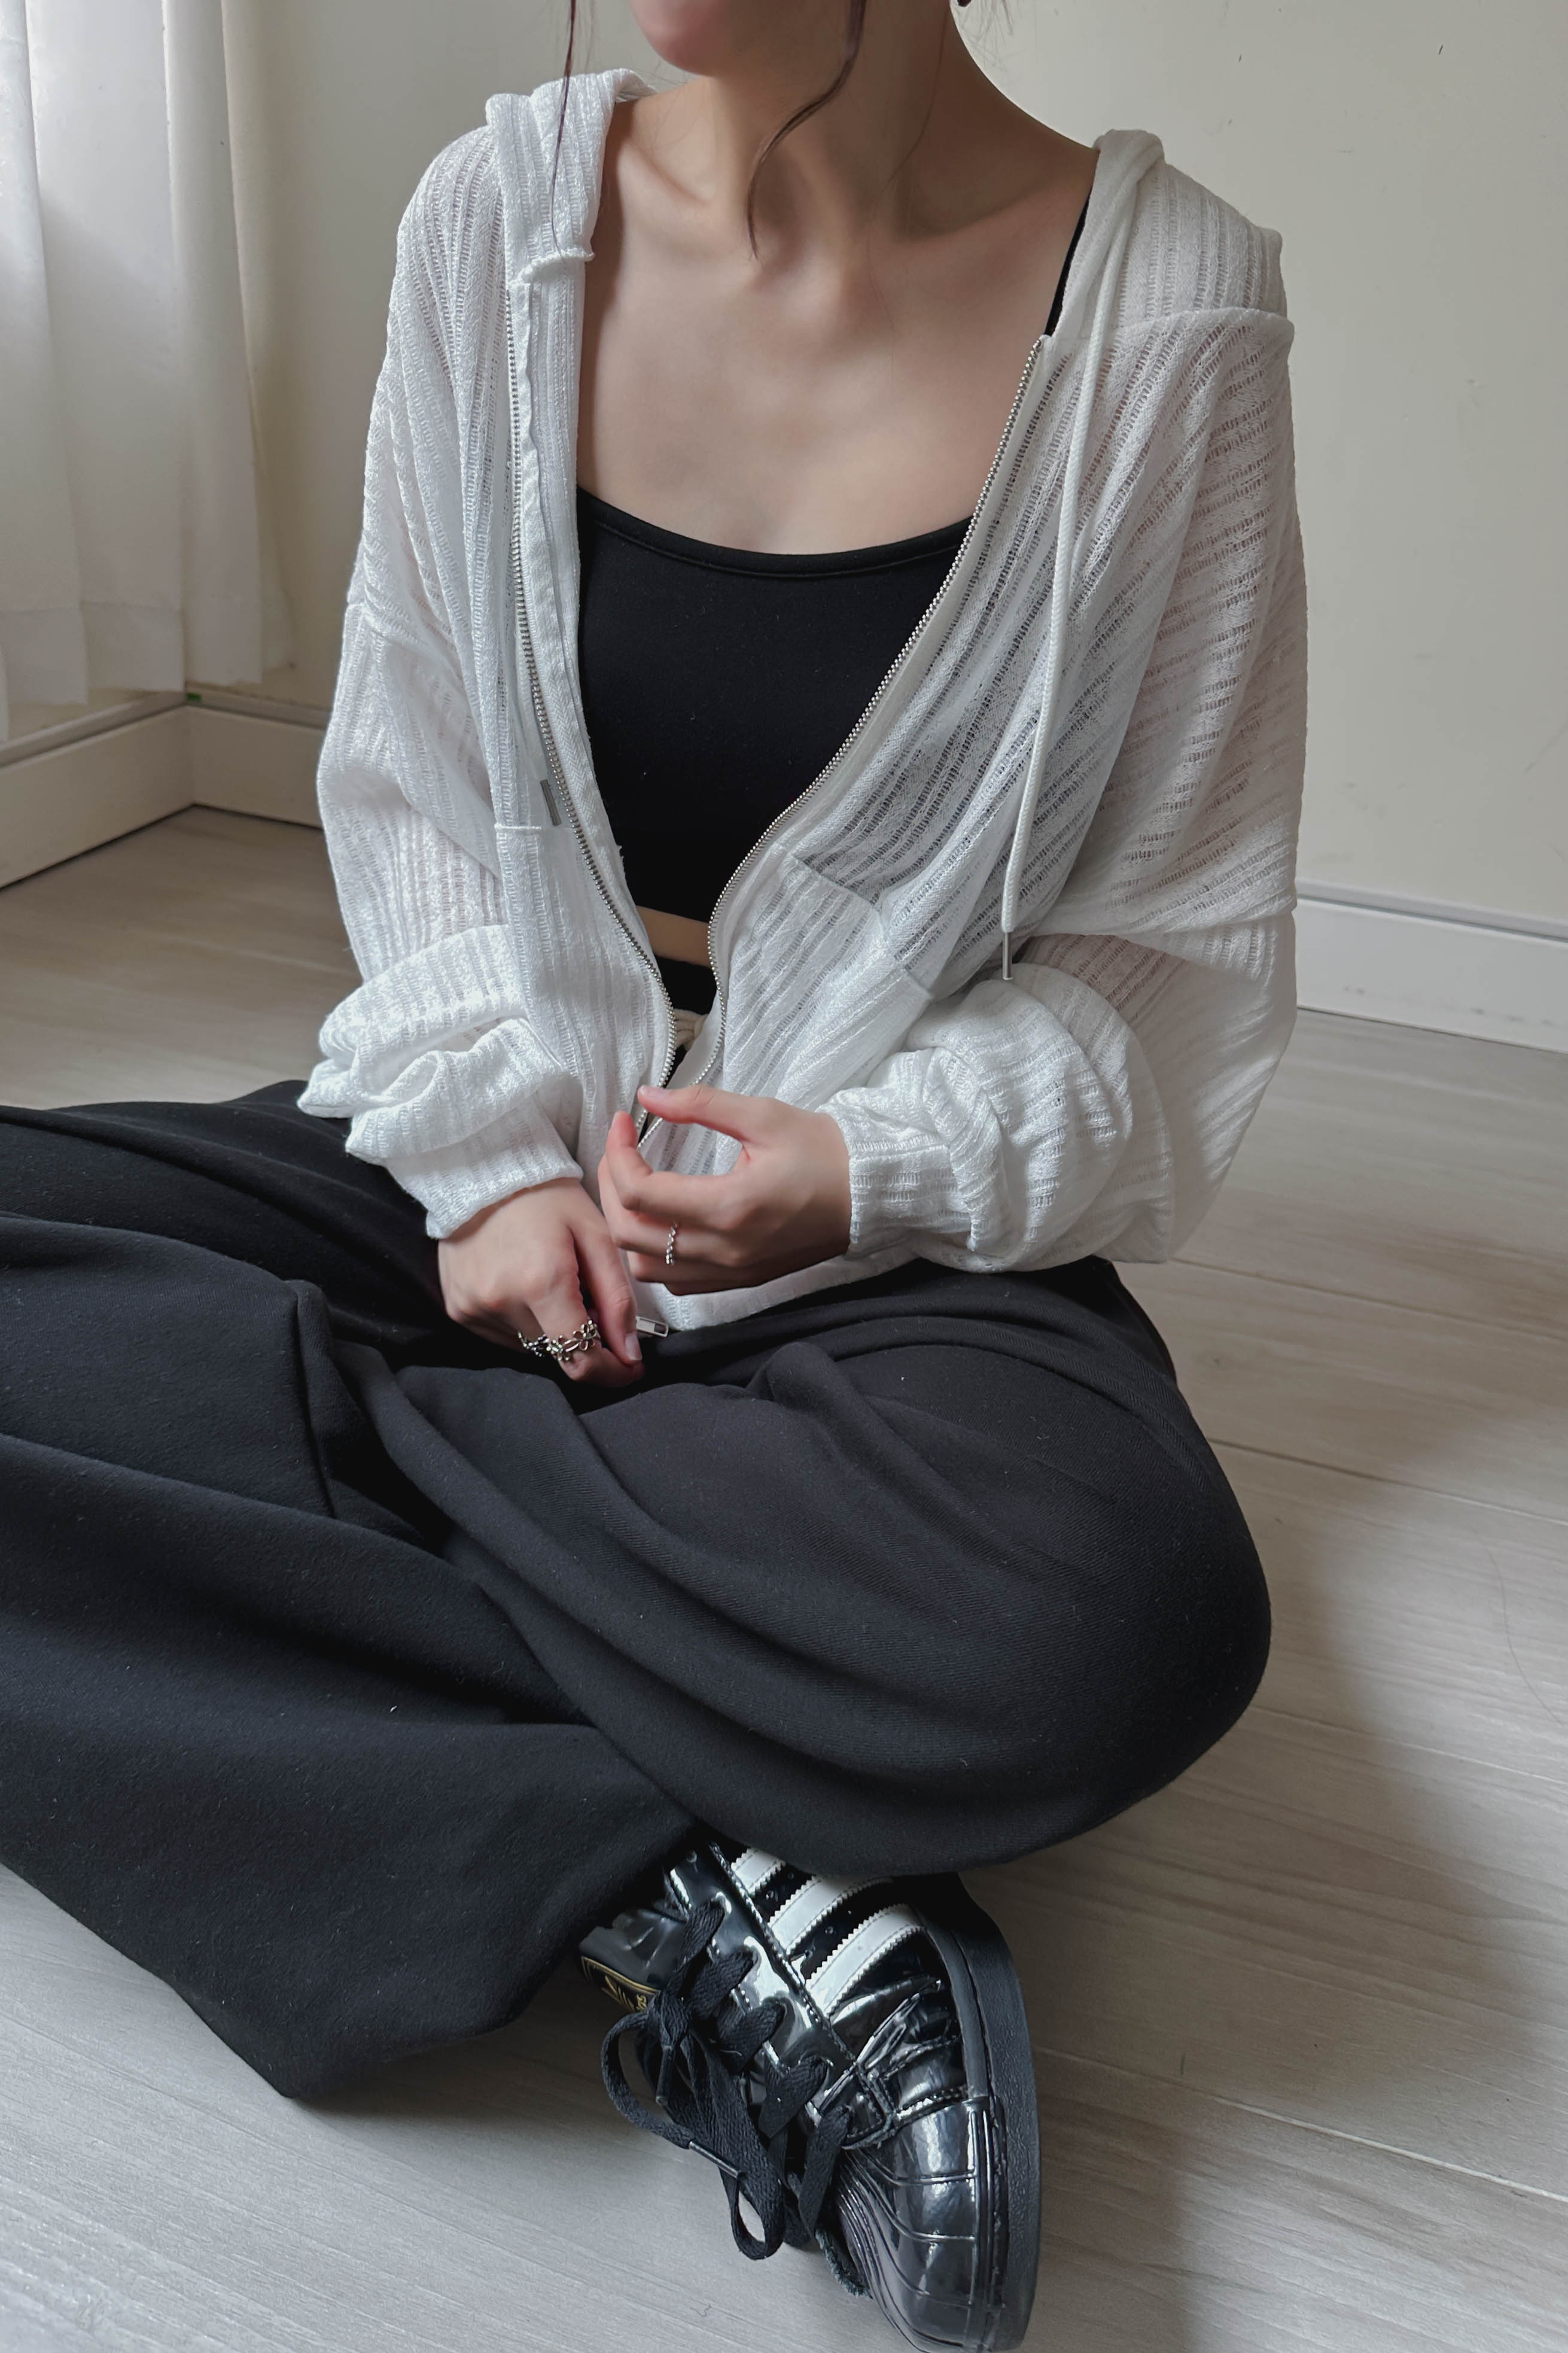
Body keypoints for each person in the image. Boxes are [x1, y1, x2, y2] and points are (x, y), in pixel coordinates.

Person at [0, 5, 1307, 2346]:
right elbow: (412, 773)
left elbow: (1159, 958)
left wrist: (862, 1161)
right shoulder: (497, 220)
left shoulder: (1166, 317)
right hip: (485, 1141)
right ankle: (723, 1868)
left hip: (881, 1223)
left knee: (1115, 1624)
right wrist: (489, 1166)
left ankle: (304, 1486)